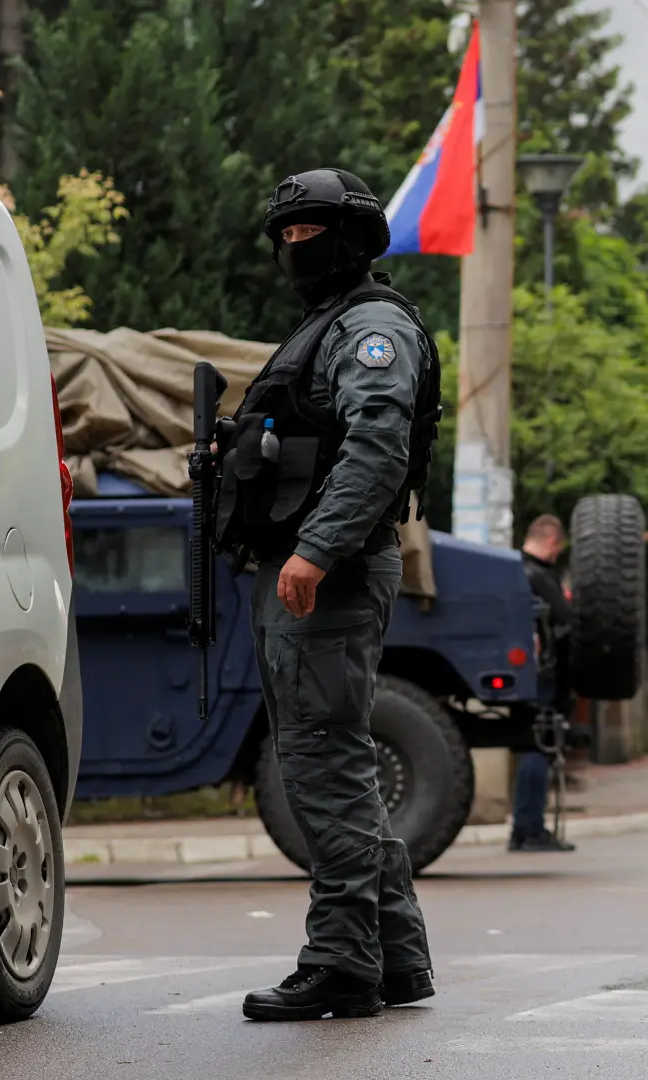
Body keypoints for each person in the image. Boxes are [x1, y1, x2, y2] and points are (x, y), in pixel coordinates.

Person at [215, 169, 442, 1021]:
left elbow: (377, 447)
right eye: (286, 233)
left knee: (323, 767)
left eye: (310, 231)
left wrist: (312, 551)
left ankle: (341, 962)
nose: (293, 247)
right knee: (330, 761)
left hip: (329, 576)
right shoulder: (331, 326)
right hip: (312, 571)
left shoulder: (372, 329)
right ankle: (397, 958)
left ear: (352, 237)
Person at [512, 514, 577, 853]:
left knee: (530, 747)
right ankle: (530, 828)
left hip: (521, 674)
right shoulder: (540, 576)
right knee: (540, 745)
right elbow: (565, 620)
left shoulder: (510, 570)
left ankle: (523, 828)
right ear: (552, 541)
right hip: (542, 676)